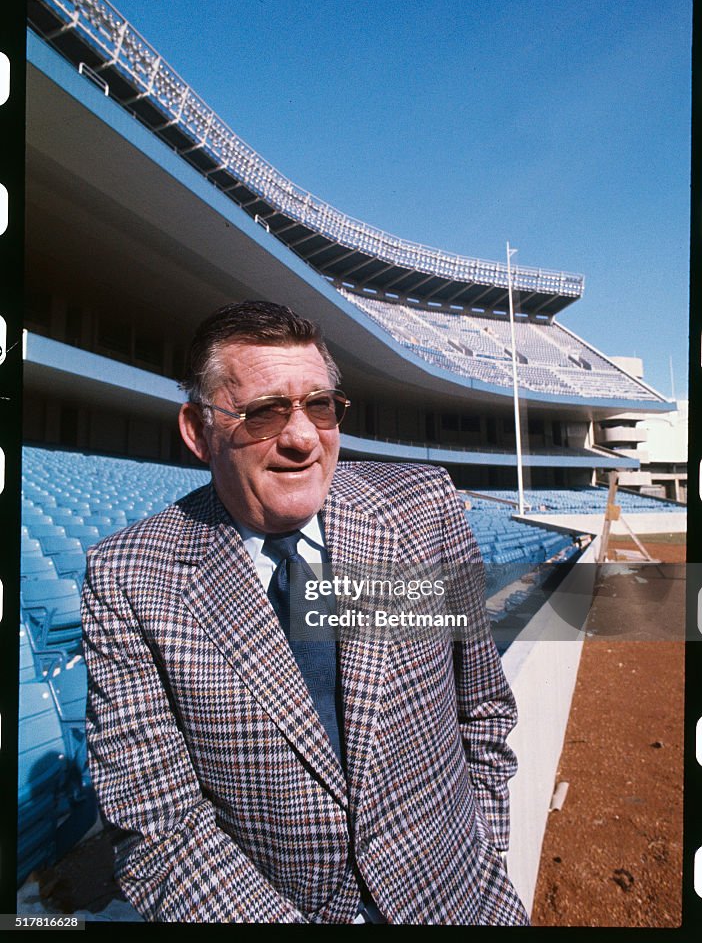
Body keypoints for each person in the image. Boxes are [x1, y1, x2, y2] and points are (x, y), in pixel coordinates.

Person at [81, 299, 529, 925]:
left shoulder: (422, 511)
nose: (300, 438)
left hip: (466, 902)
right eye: (264, 412)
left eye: (319, 406)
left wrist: (485, 850)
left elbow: (480, 703)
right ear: (197, 429)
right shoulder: (128, 577)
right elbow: (159, 825)